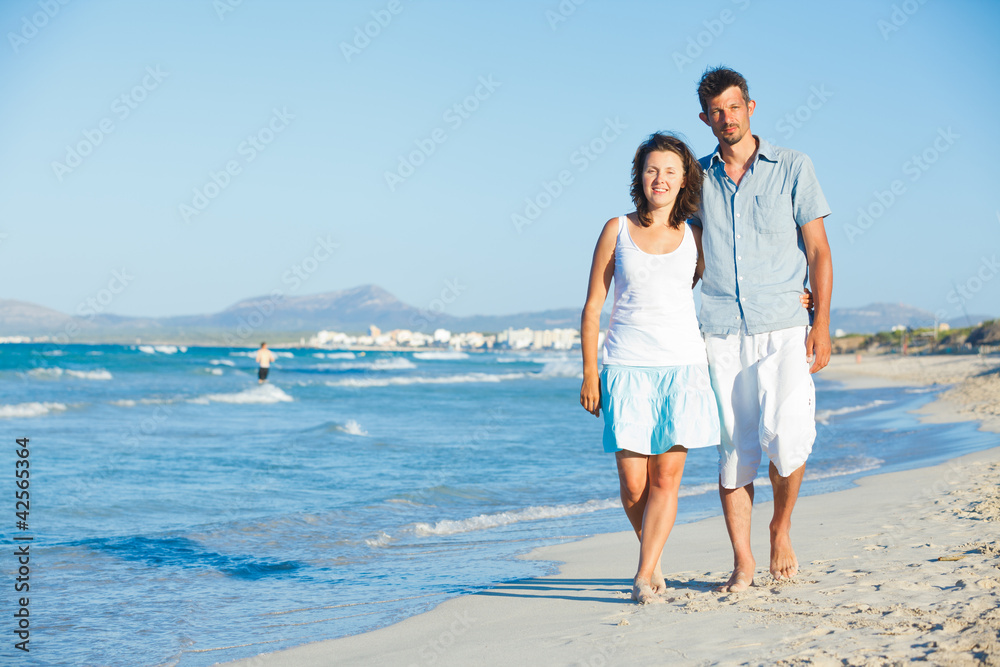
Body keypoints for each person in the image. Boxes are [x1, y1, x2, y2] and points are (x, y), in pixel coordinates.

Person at [692, 66, 833, 592]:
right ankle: (743, 561)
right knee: (734, 449)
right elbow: (690, 254)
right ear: (704, 118)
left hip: (784, 326)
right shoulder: (697, 178)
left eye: (734, 106)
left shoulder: (793, 167)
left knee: (790, 437)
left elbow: (818, 250)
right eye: (716, 111)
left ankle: (781, 526)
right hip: (721, 330)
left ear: (751, 106)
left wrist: (820, 322)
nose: (726, 118)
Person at [580, 133, 721, 604]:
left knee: (666, 480)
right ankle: (654, 561)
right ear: (640, 175)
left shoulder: (696, 237)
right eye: (652, 170)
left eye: (670, 172)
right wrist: (589, 373)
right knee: (632, 484)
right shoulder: (616, 229)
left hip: (682, 367)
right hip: (625, 366)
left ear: (685, 181)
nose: (660, 179)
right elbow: (593, 307)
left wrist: (800, 297)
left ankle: (643, 575)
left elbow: (731, 286)